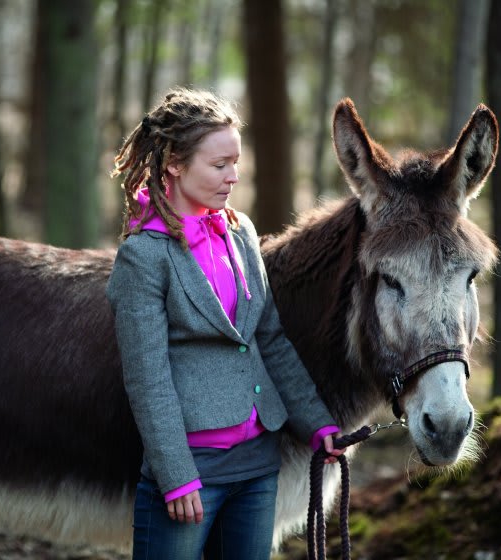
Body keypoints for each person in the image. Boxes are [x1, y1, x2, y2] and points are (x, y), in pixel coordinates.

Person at [106, 88, 343, 560]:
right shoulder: (143, 258)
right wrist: (176, 476)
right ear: (174, 162)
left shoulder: (240, 232)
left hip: (257, 468)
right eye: (219, 165)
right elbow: (147, 378)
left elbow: (269, 339)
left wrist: (316, 422)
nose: (233, 177)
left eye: (237, 163)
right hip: (193, 474)